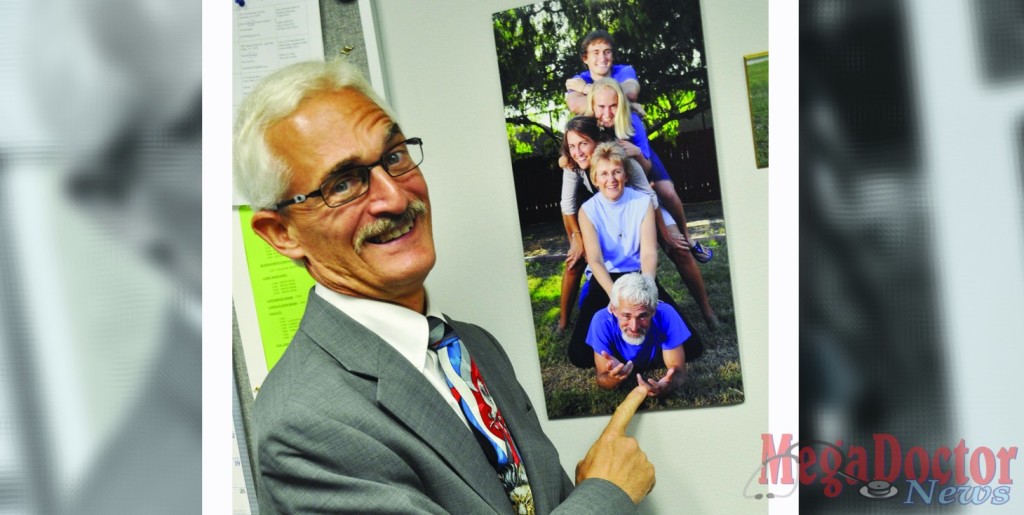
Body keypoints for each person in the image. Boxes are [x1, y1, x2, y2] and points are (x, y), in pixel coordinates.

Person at [234, 59, 655, 514]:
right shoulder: (302, 424)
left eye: (394, 157)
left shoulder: (475, 347)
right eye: (342, 183)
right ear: (282, 233)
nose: (395, 196)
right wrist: (606, 493)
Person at [588, 78, 719, 325]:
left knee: (678, 248)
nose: (607, 113)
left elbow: (646, 179)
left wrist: (635, 152)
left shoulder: (631, 124)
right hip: (611, 208)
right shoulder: (589, 131)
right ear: (592, 106)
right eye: (601, 107)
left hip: (643, 200)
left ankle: (707, 310)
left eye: (613, 105)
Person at [568, 141, 702, 370]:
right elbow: (596, 260)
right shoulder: (587, 210)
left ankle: (642, 349)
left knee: (692, 348)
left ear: (626, 174)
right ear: (595, 179)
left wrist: (648, 288)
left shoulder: (642, 203)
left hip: (639, 276)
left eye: (616, 171)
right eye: (604, 173)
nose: (611, 179)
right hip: (606, 279)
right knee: (579, 356)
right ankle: (623, 344)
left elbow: (649, 252)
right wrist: (616, 298)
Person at [556, 116, 660, 333]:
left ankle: (707, 312)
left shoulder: (623, 161)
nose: (578, 151)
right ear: (595, 177)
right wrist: (575, 238)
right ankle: (564, 322)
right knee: (575, 261)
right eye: (572, 146)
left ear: (597, 140)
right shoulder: (573, 165)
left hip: (634, 208)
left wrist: (666, 232)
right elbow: (567, 205)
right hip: (597, 215)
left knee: (678, 249)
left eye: (583, 143)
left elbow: (648, 196)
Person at [588, 274, 688, 397]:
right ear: (613, 310)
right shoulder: (601, 321)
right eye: (626, 316)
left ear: (653, 311)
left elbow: (678, 372)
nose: (634, 327)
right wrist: (612, 378)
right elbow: (602, 377)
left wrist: (668, 385)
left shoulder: (666, 314)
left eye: (642, 316)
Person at [564, 30, 641, 117]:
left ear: (613, 55)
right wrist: (628, 105)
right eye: (596, 53)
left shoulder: (623, 70)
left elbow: (631, 93)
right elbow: (575, 106)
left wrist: (586, 88)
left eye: (607, 52)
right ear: (585, 58)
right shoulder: (579, 80)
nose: (602, 58)